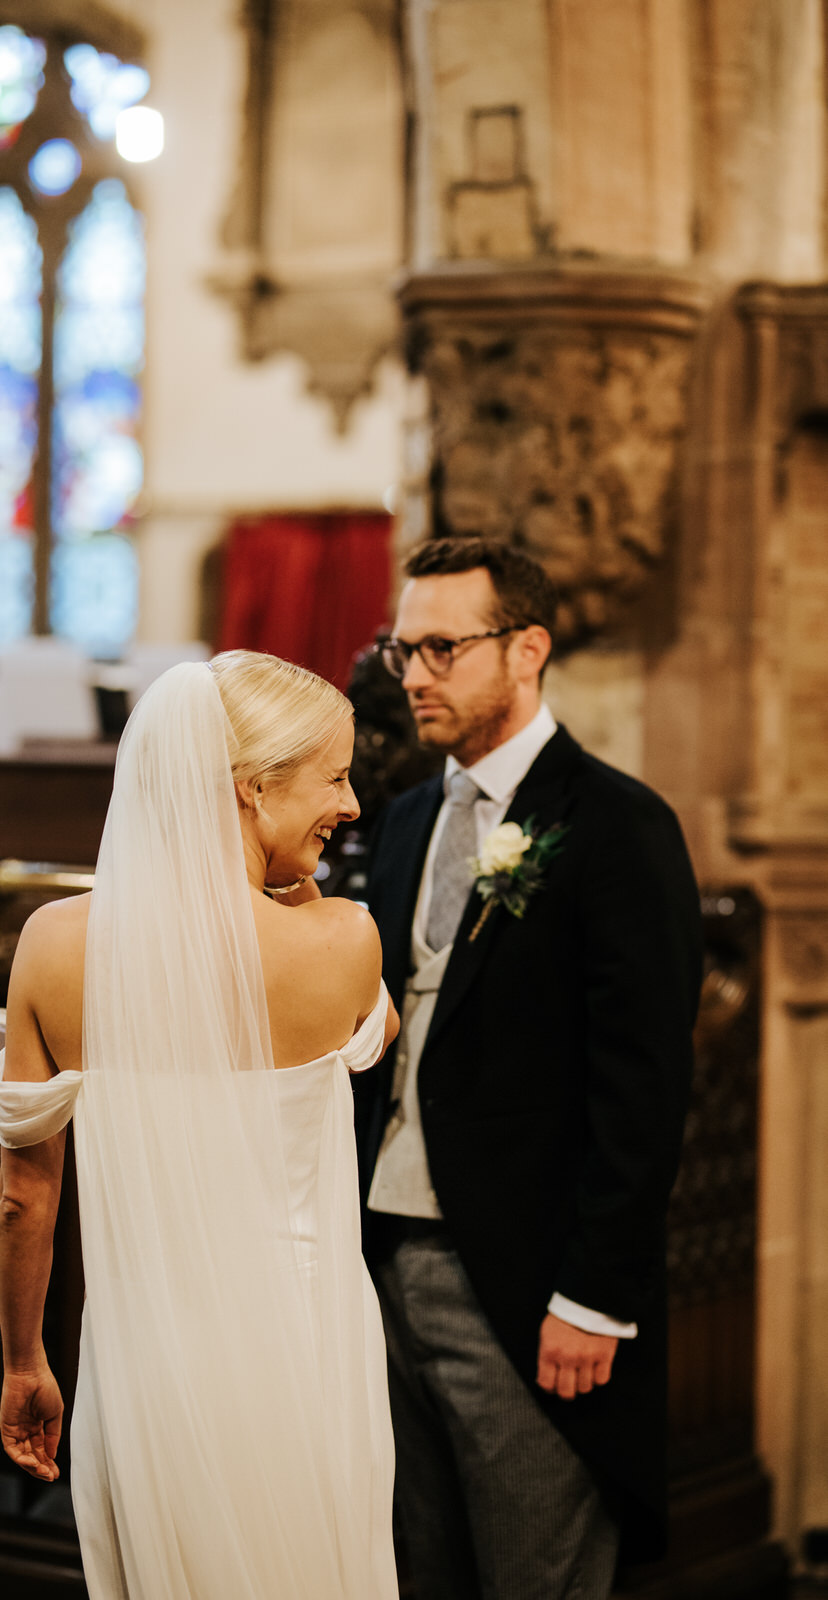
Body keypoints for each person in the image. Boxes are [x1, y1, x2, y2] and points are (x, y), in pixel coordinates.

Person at [0, 651, 401, 1600]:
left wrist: (23, 1363)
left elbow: (25, 1198)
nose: (349, 802)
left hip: (146, 1361)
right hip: (307, 1351)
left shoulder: (55, 944)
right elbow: (376, 1033)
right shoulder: (345, 939)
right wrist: (296, 896)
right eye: (333, 776)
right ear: (253, 789)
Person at [358, 537, 703, 1600]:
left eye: (443, 648)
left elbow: (642, 1086)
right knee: (424, 1571)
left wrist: (595, 1297)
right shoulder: (409, 821)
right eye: (402, 649)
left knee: (535, 1577)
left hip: (522, 1282)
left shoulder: (617, 825)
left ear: (528, 650)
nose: (415, 674)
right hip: (387, 1258)